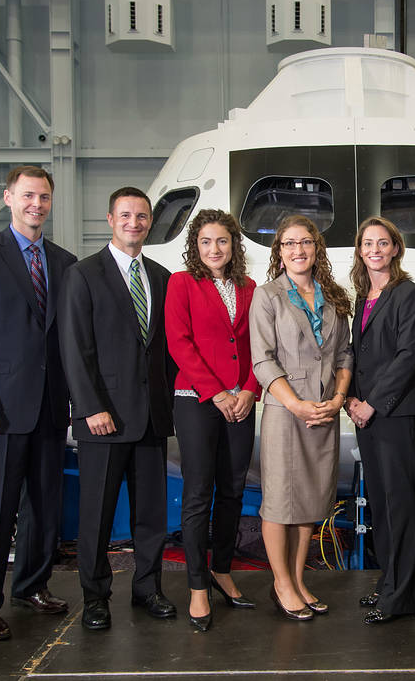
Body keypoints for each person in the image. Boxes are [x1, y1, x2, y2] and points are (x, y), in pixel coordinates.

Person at [0, 165, 76, 641]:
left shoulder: (63, 262)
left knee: (44, 505)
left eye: (44, 197)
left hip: (47, 407)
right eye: (28, 196)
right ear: (8, 197)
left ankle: (32, 585)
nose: (36, 205)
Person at [58, 187, 176, 631]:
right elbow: (74, 346)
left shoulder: (162, 277)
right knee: (97, 515)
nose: (134, 223)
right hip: (102, 419)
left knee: (150, 516)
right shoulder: (83, 274)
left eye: (142, 216)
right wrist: (90, 407)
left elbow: (163, 353)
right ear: (110, 219)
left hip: (150, 417)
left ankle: (148, 588)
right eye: (125, 215)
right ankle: (95, 596)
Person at [249, 214, 353, 621]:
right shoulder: (268, 296)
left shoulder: (334, 295)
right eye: (289, 243)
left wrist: (339, 397)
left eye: (305, 242)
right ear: (279, 251)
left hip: (325, 412)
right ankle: (281, 583)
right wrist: (296, 405)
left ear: (316, 249)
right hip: (286, 413)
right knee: (279, 502)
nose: (298, 250)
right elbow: (262, 359)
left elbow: (345, 354)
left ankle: (297, 579)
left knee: (310, 501)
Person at [165, 209, 260, 632]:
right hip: (197, 400)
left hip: (241, 400)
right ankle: (198, 586)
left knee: (234, 489)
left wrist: (247, 391)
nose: (214, 249)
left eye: (221, 241)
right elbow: (179, 344)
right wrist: (217, 392)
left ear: (233, 245)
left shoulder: (250, 287)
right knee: (199, 492)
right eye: (206, 241)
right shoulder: (181, 283)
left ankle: (222, 568)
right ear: (195, 245)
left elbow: (262, 344)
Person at [346, 216, 415, 626]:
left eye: (383, 243)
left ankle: (402, 598)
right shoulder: (364, 297)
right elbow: (357, 354)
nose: (374, 250)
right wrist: (349, 398)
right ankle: (389, 581)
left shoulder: (410, 295)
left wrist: (372, 403)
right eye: (367, 243)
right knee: (380, 504)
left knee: (400, 506)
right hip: (367, 414)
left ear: (396, 248)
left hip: (395, 414)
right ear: (360, 251)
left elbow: (406, 357)